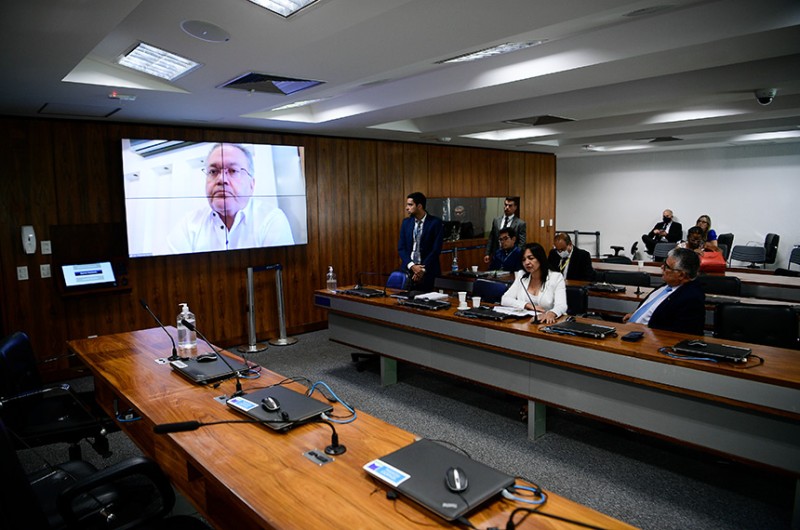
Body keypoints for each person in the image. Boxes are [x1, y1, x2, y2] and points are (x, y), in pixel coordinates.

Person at [167, 143, 294, 253]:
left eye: (233, 170)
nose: (221, 180)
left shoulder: (270, 220)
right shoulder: (188, 225)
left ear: (251, 184)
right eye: (213, 171)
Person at [623, 247, 705, 335]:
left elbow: (679, 334)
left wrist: (642, 328)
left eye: (667, 267)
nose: (662, 267)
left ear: (681, 275)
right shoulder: (667, 285)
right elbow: (652, 309)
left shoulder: (691, 299)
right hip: (630, 330)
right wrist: (635, 315)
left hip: (646, 340)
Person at [501, 242, 567, 324]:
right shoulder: (522, 275)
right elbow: (505, 299)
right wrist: (527, 305)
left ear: (540, 258)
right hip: (524, 322)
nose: (527, 262)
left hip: (547, 322)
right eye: (524, 260)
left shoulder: (555, 277)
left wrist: (552, 313)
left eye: (531, 258)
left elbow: (562, 305)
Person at [398, 192, 444, 292]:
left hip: (428, 271)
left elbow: (436, 250)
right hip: (408, 270)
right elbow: (401, 248)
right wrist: (412, 266)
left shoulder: (435, 223)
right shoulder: (406, 223)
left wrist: (421, 270)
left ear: (419, 206)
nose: (407, 208)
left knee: (427, 303)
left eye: (410, 205)